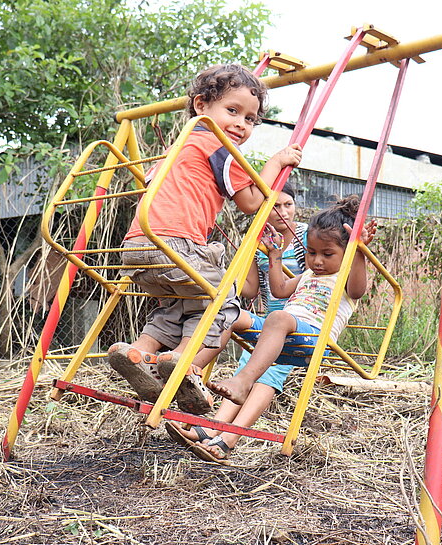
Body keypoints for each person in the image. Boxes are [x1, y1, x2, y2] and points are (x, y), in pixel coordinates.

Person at [108, 63, 302, 415]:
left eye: (250, 119)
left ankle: (138, 349)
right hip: (174, 245)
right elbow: (251, 203)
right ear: (201, 106)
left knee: (179, 304)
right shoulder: (219, 145)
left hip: (135, 248)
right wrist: (275, 163)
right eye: (233, 110)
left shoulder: (176, 148)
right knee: (224, 302)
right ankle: (183, 363)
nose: (241, 124)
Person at [187, 195, 376, 462]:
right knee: (233, 313)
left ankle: (243, 382)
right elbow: (279, 290)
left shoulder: (345, 276)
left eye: (327, 254)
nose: (317, 261)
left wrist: (359, 253)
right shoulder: (309, 274)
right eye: (312, 253)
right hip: (285, 329)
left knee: (279, 318)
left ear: (345, 253)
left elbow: (358, 289)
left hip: (312, 338)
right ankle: (191, 371)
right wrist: (275, 256)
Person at [164, 182, 308, 463]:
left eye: (287, 204)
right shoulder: (259, 239)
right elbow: (250, 290)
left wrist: (277, 257)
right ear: (263, 212)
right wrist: (240, 262)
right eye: (274, 206)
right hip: (268, 319)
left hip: (296, 321)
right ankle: (205, 414)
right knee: (234, 325)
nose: (282, 212)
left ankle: (228, 439)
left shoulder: (304, 239)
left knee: (268, 372)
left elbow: (317, 276)